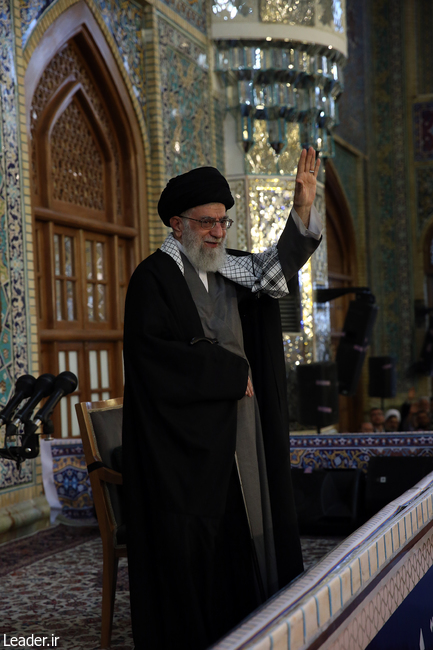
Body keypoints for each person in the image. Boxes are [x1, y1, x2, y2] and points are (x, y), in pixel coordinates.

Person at [122, 147, 322, 650]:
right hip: (184, 445)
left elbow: (276, 270)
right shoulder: (153, 278)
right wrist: (233, 373)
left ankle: (249, 625)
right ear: (176, 223)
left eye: (223, 221)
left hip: (239, 428)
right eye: (207, 222)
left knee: (249, 523)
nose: (217, 231)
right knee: (199, 543)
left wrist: (301, 209)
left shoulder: (228, 266)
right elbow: (155, 358)